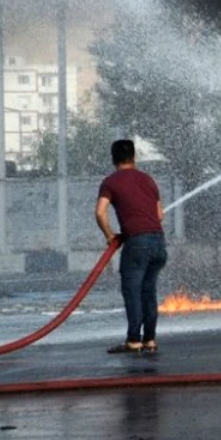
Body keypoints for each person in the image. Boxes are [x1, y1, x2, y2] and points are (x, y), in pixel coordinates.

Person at [96, 139, 166, 354]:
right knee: (149, 292)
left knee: (133, 292)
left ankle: (134, 340)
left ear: (113, 158)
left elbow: (100, 212)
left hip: (136, 242)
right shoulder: (148, 179)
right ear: (134, 157)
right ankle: (150, 340)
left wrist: (110, 236)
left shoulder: (110, 182)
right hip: (158, 242)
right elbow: (159, 215)